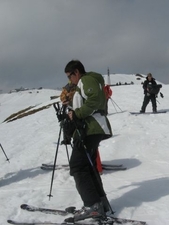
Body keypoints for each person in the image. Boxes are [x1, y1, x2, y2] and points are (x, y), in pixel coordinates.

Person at [64, 60, 112, 222]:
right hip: (89, 129)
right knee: (88, 167)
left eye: (70, 76)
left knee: (78, 166)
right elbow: (87, 103)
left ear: (76, 72)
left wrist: (77, 114)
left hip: (91, 129)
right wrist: (71, 108)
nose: (70, 80)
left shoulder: (86, 80)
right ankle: (100, 203)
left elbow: (95, 100)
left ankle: (92, 206)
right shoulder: (82, 84)